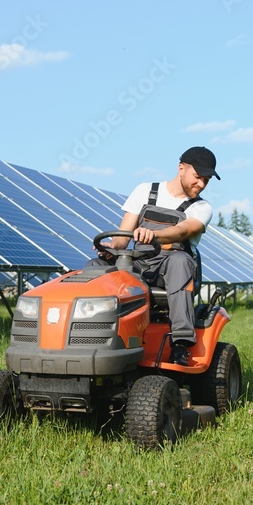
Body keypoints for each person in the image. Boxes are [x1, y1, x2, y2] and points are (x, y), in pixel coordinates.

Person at [86, 146, 218, 366]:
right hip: (139, 263)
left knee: (181, 261)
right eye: (198, 177)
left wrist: (154, 235)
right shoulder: (145, 191)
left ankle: (180, 344)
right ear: (181, 168)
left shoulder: (202, 207)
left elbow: (185, 230)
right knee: (95, 266)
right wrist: (112, 246)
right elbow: (123, 237)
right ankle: (92, 334)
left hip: (170, 268)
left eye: (206, 180)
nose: (201, 184)